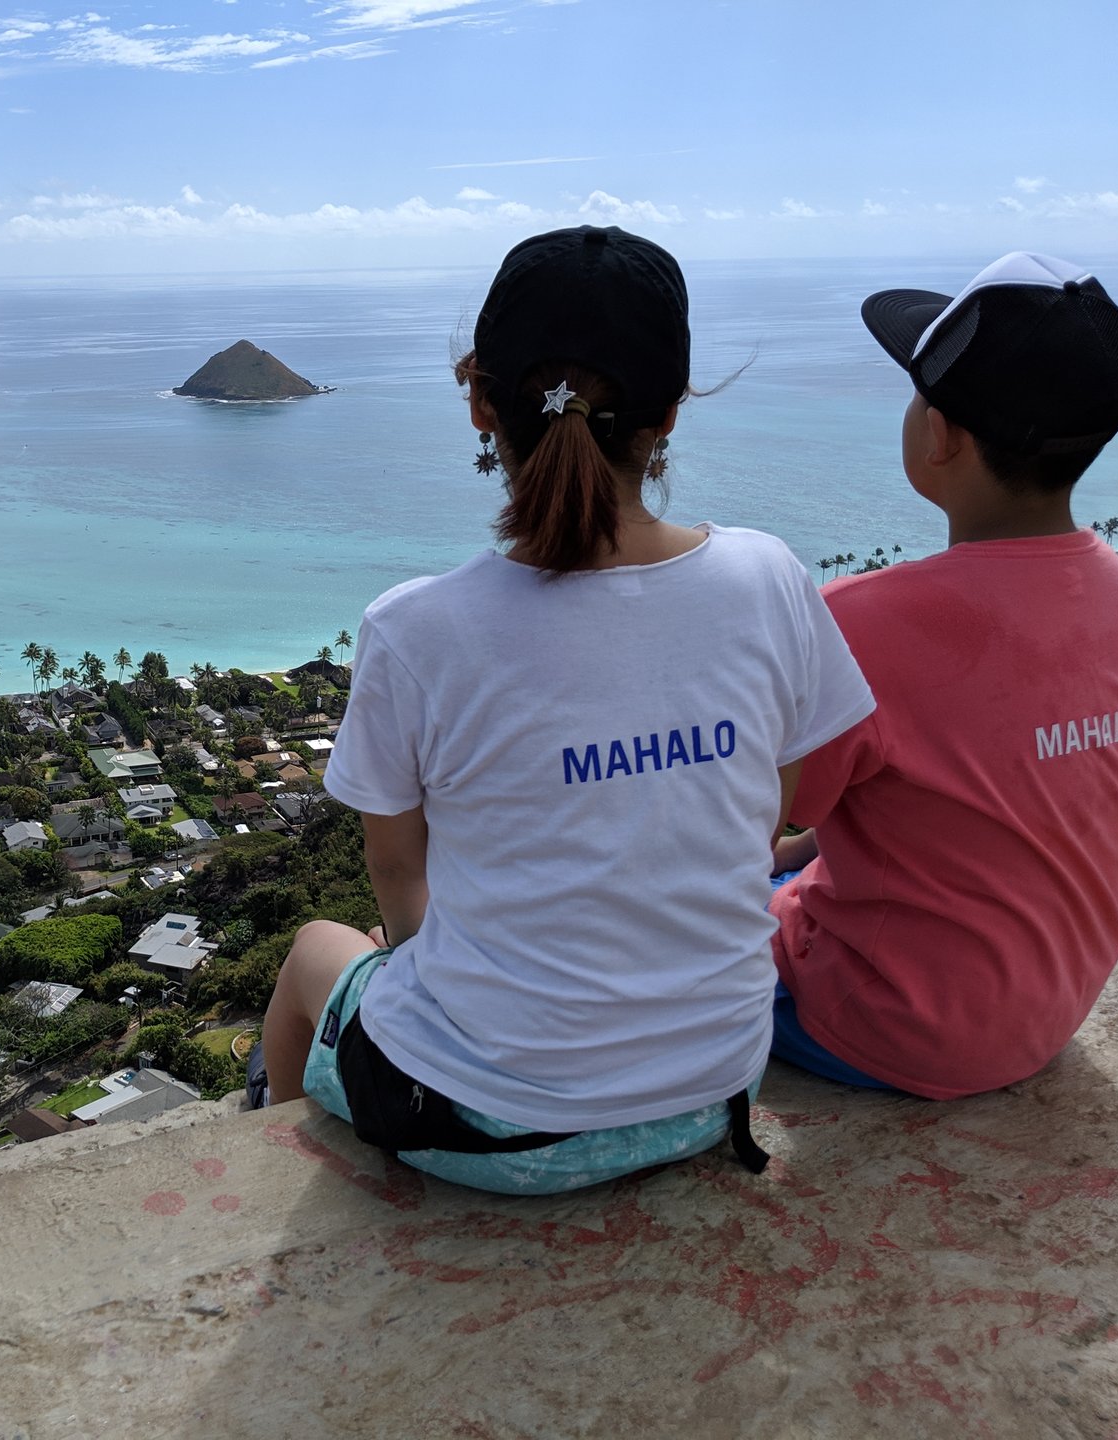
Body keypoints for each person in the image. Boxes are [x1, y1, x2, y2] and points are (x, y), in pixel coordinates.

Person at [256, 226, 875, 1195]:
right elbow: (766, 817)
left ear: (479, 400)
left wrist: (428, 970)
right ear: (669, 413)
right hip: (711, 1089)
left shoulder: (419, 630)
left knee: (311, 954)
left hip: (486, 1128)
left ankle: (286, 1181)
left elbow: (394, 865)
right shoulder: (770, 578)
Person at [767, 252, 1118, 1098]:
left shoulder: (860, 618)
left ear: (940, 435)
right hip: (1055, 1002)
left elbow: (763, 818)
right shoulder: (1115, 588)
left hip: (897, 1028)